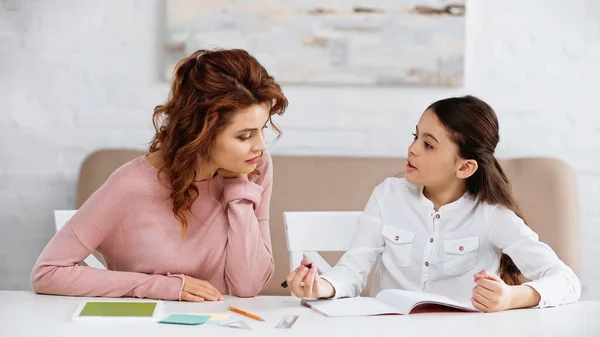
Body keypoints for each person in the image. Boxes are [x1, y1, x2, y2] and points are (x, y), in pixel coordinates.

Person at [31, 48, 288, 302]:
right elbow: (48, 273)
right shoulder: (130, 185)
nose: (261, 145)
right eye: (244, 136)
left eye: (262, 128)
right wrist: (157, 285)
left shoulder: (255, 166)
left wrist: (239, 188)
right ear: (201, 133)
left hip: (220, 325)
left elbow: (248, 286)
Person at [285, 95, 580, 312]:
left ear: (464, 168)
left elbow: (566, 281)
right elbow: (353, 270)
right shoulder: (388, 195)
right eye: (416, 136)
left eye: (428, 144)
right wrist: (320, 286)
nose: (412, 149)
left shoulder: (491, 215)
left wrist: (512, 297)